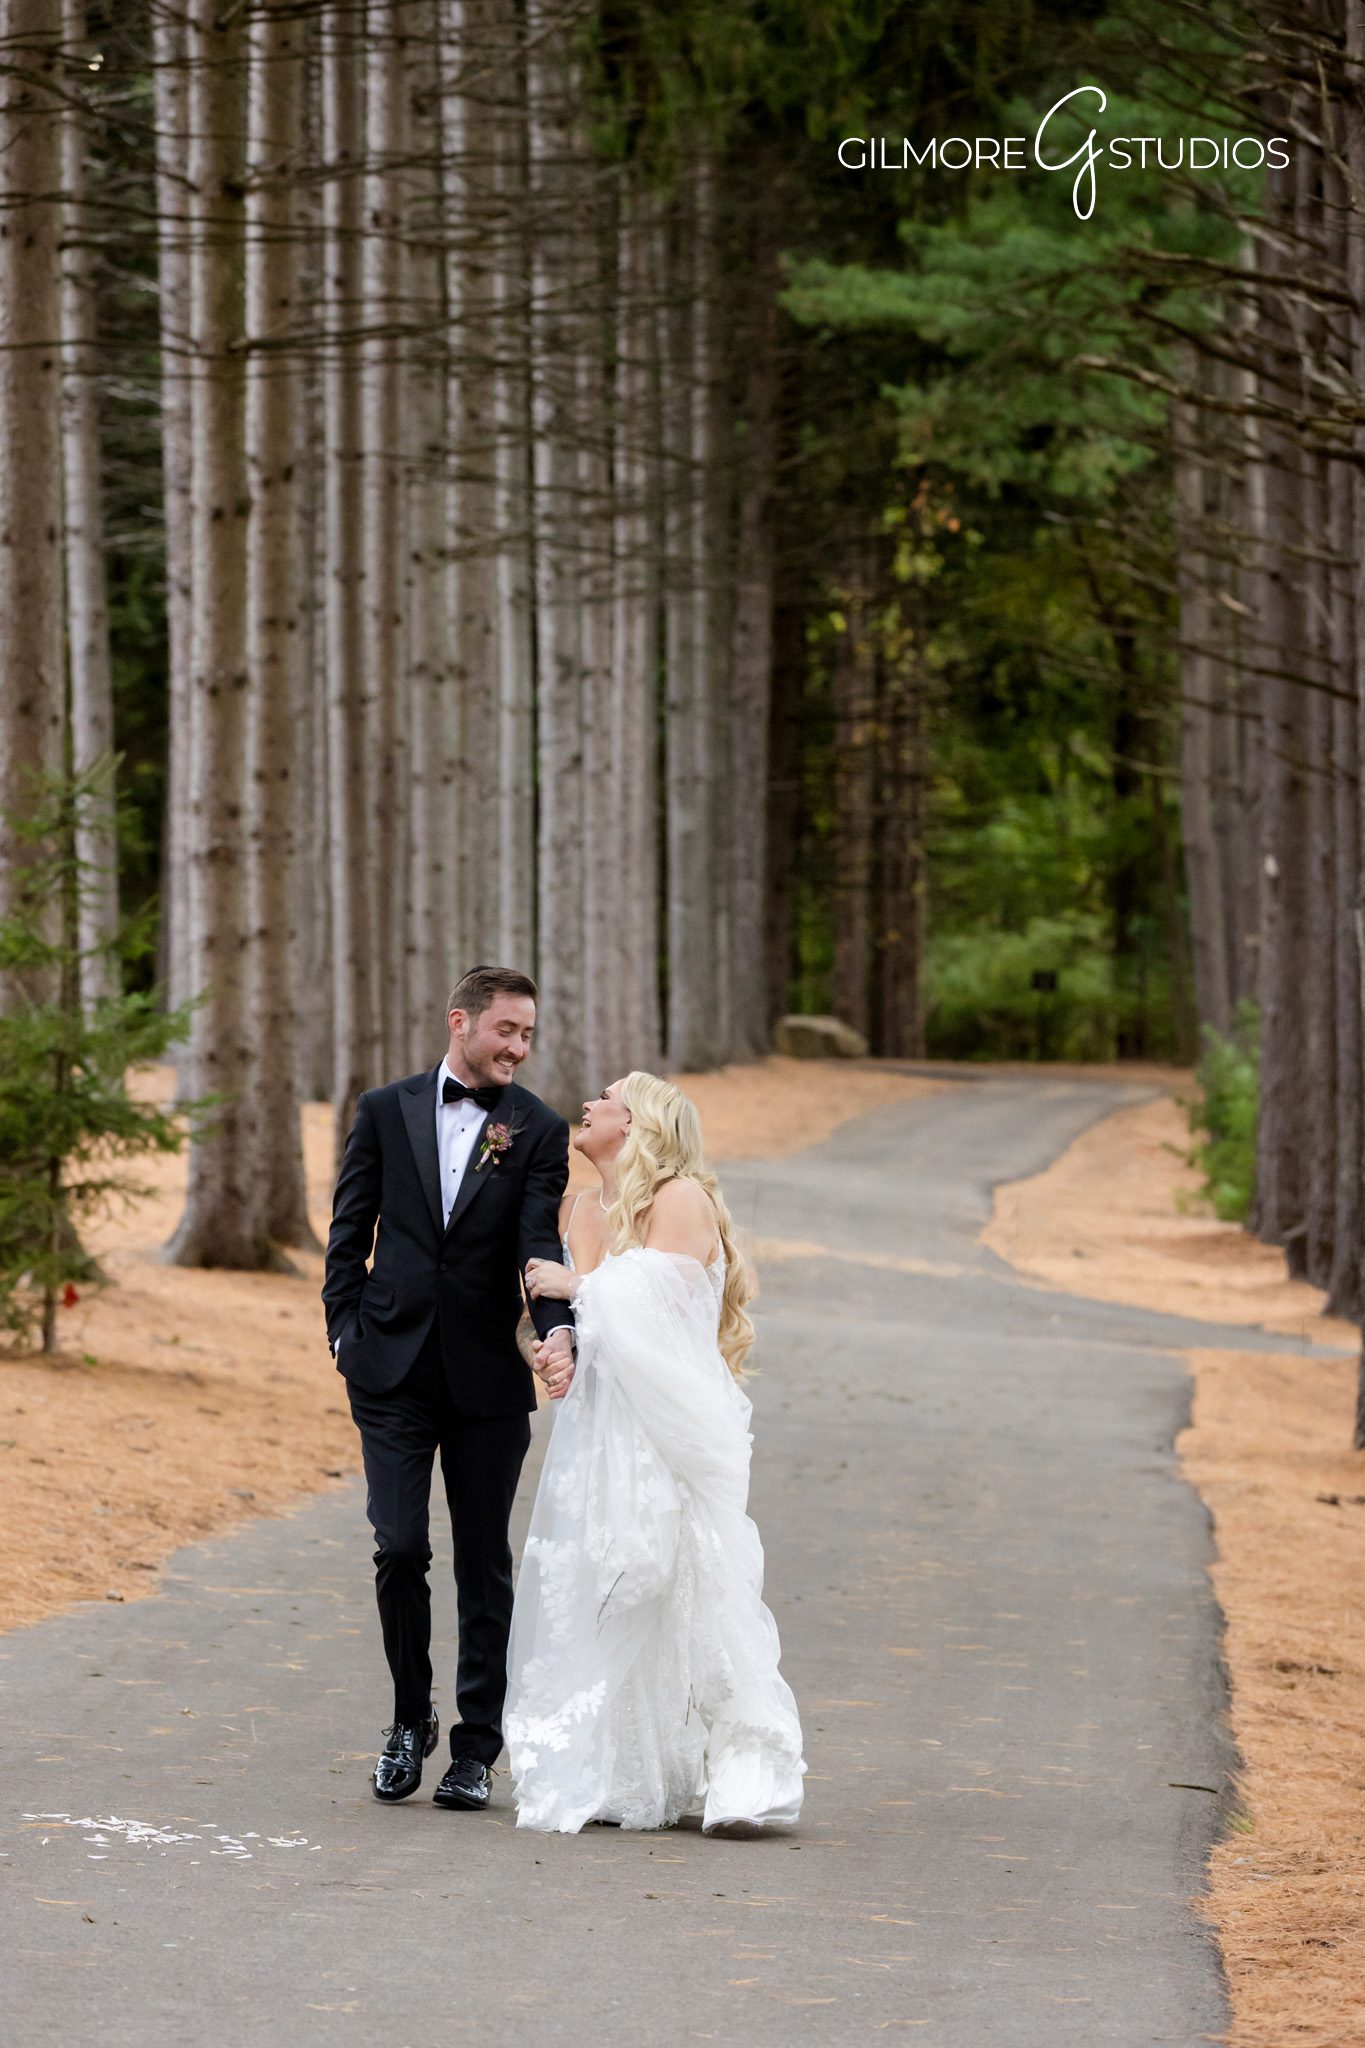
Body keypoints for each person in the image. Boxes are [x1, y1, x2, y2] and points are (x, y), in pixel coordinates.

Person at [506, 1071, 806, 1834]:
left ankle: (746, 1773)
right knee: (606, 1582)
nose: (588, 1104)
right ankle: (627, 1772)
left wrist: (578, 1284)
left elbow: (658, 1309)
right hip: (600, 1427)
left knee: (690, 1580)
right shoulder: (579, 1208)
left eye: (606, 1097)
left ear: (638, 1123)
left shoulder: (679, 1199)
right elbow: (572, 1319)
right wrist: (554, 1344)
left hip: (667, 1429)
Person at [322, 966, 576, 1810]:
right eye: (507, 1029)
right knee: (398, 1547)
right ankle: (408, 1720)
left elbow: (538, 1246)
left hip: (485, 1378)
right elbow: (349, 1230)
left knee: (483, 1562)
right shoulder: (383, 1110)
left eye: (528, 1034)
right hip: (388, 1368)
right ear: (459, 1022)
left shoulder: (536, 1129)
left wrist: (556, 1335)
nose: (519, 1047)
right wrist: (343, 1331)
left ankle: (475, 1749)